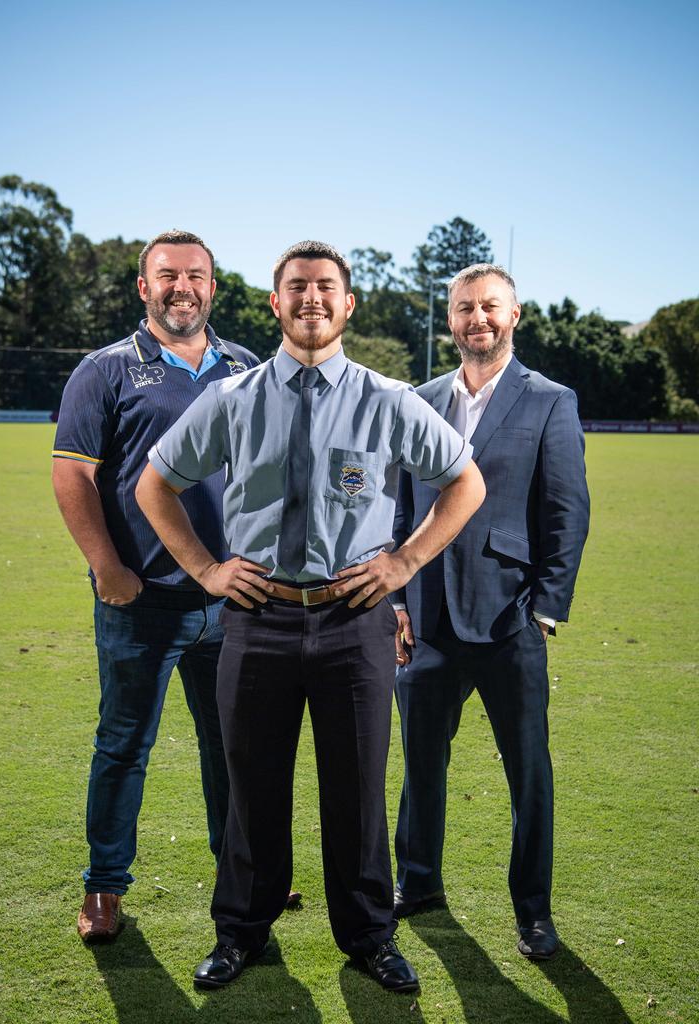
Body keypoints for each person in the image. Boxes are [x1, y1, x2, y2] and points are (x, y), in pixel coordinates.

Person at [135, 241, 485, 992]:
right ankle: (241, 932)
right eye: (297, 288)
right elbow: (154, 484)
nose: (312, 299)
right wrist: (206, 568)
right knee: (251, 783)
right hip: (258, 619)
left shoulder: (389, 399)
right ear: (275, 303)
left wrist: (403, 563)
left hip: (353, 618)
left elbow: (465, 481)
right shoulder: (233, 399)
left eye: (326, 287)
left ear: (348, 304)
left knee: (357, 786)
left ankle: (367, 937)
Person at [52, 229, 260, 943]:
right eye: (167, 275)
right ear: (144, 288)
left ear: (212, 287)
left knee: (234, 749)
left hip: (232, 603)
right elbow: (73, 475)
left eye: (196, 276)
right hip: (142, 604)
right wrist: (108, 568)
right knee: (123, 748)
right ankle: (105, 889)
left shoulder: (245, 366)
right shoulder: (104, 370)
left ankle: (243, 876)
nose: (183, 287)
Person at [392, 263, 590, 960]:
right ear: (451, 319)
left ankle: (533, 911)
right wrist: (394, 600)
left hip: (511, 620)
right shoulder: (416, 401)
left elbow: (565, 511)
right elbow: (396, 508)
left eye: (490, 307)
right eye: (465, 308)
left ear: (514, 315)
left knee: (528, 771)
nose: (478, 318)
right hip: (428, 616)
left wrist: (545, 609)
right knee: (420, 763)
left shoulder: (550, 400)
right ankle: (417, 885)